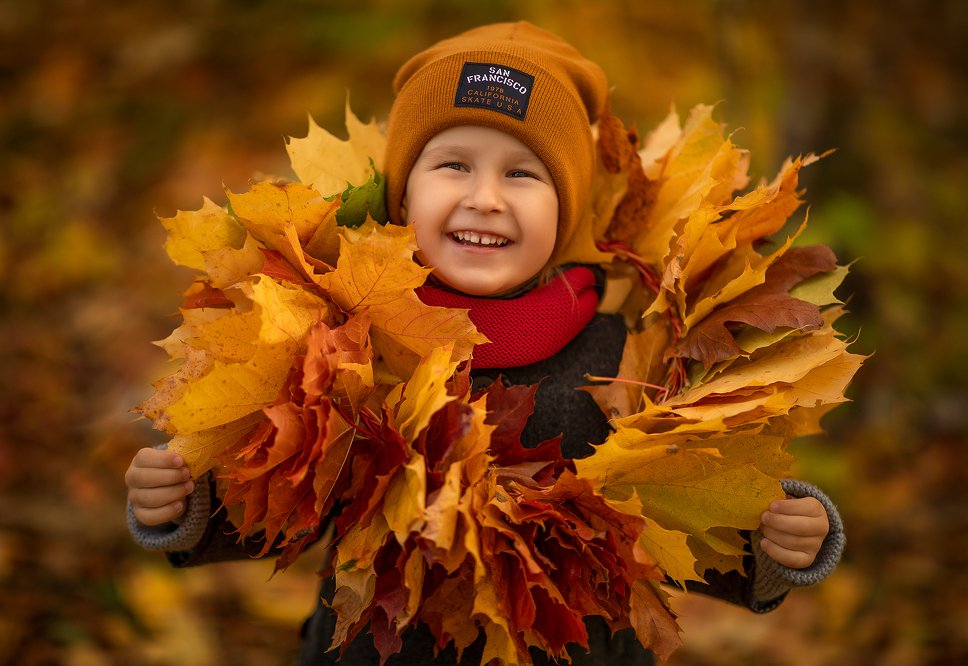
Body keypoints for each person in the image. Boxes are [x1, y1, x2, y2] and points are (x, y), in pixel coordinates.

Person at [126, 21, 845, 665]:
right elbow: (283, 490)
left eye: (523, 174)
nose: (486, 197)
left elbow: (695, 511)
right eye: (454, 165)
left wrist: (780, 541)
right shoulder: (348, 342)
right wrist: (187, 505)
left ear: (565, 214)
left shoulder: (627, 359)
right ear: (404, 195)